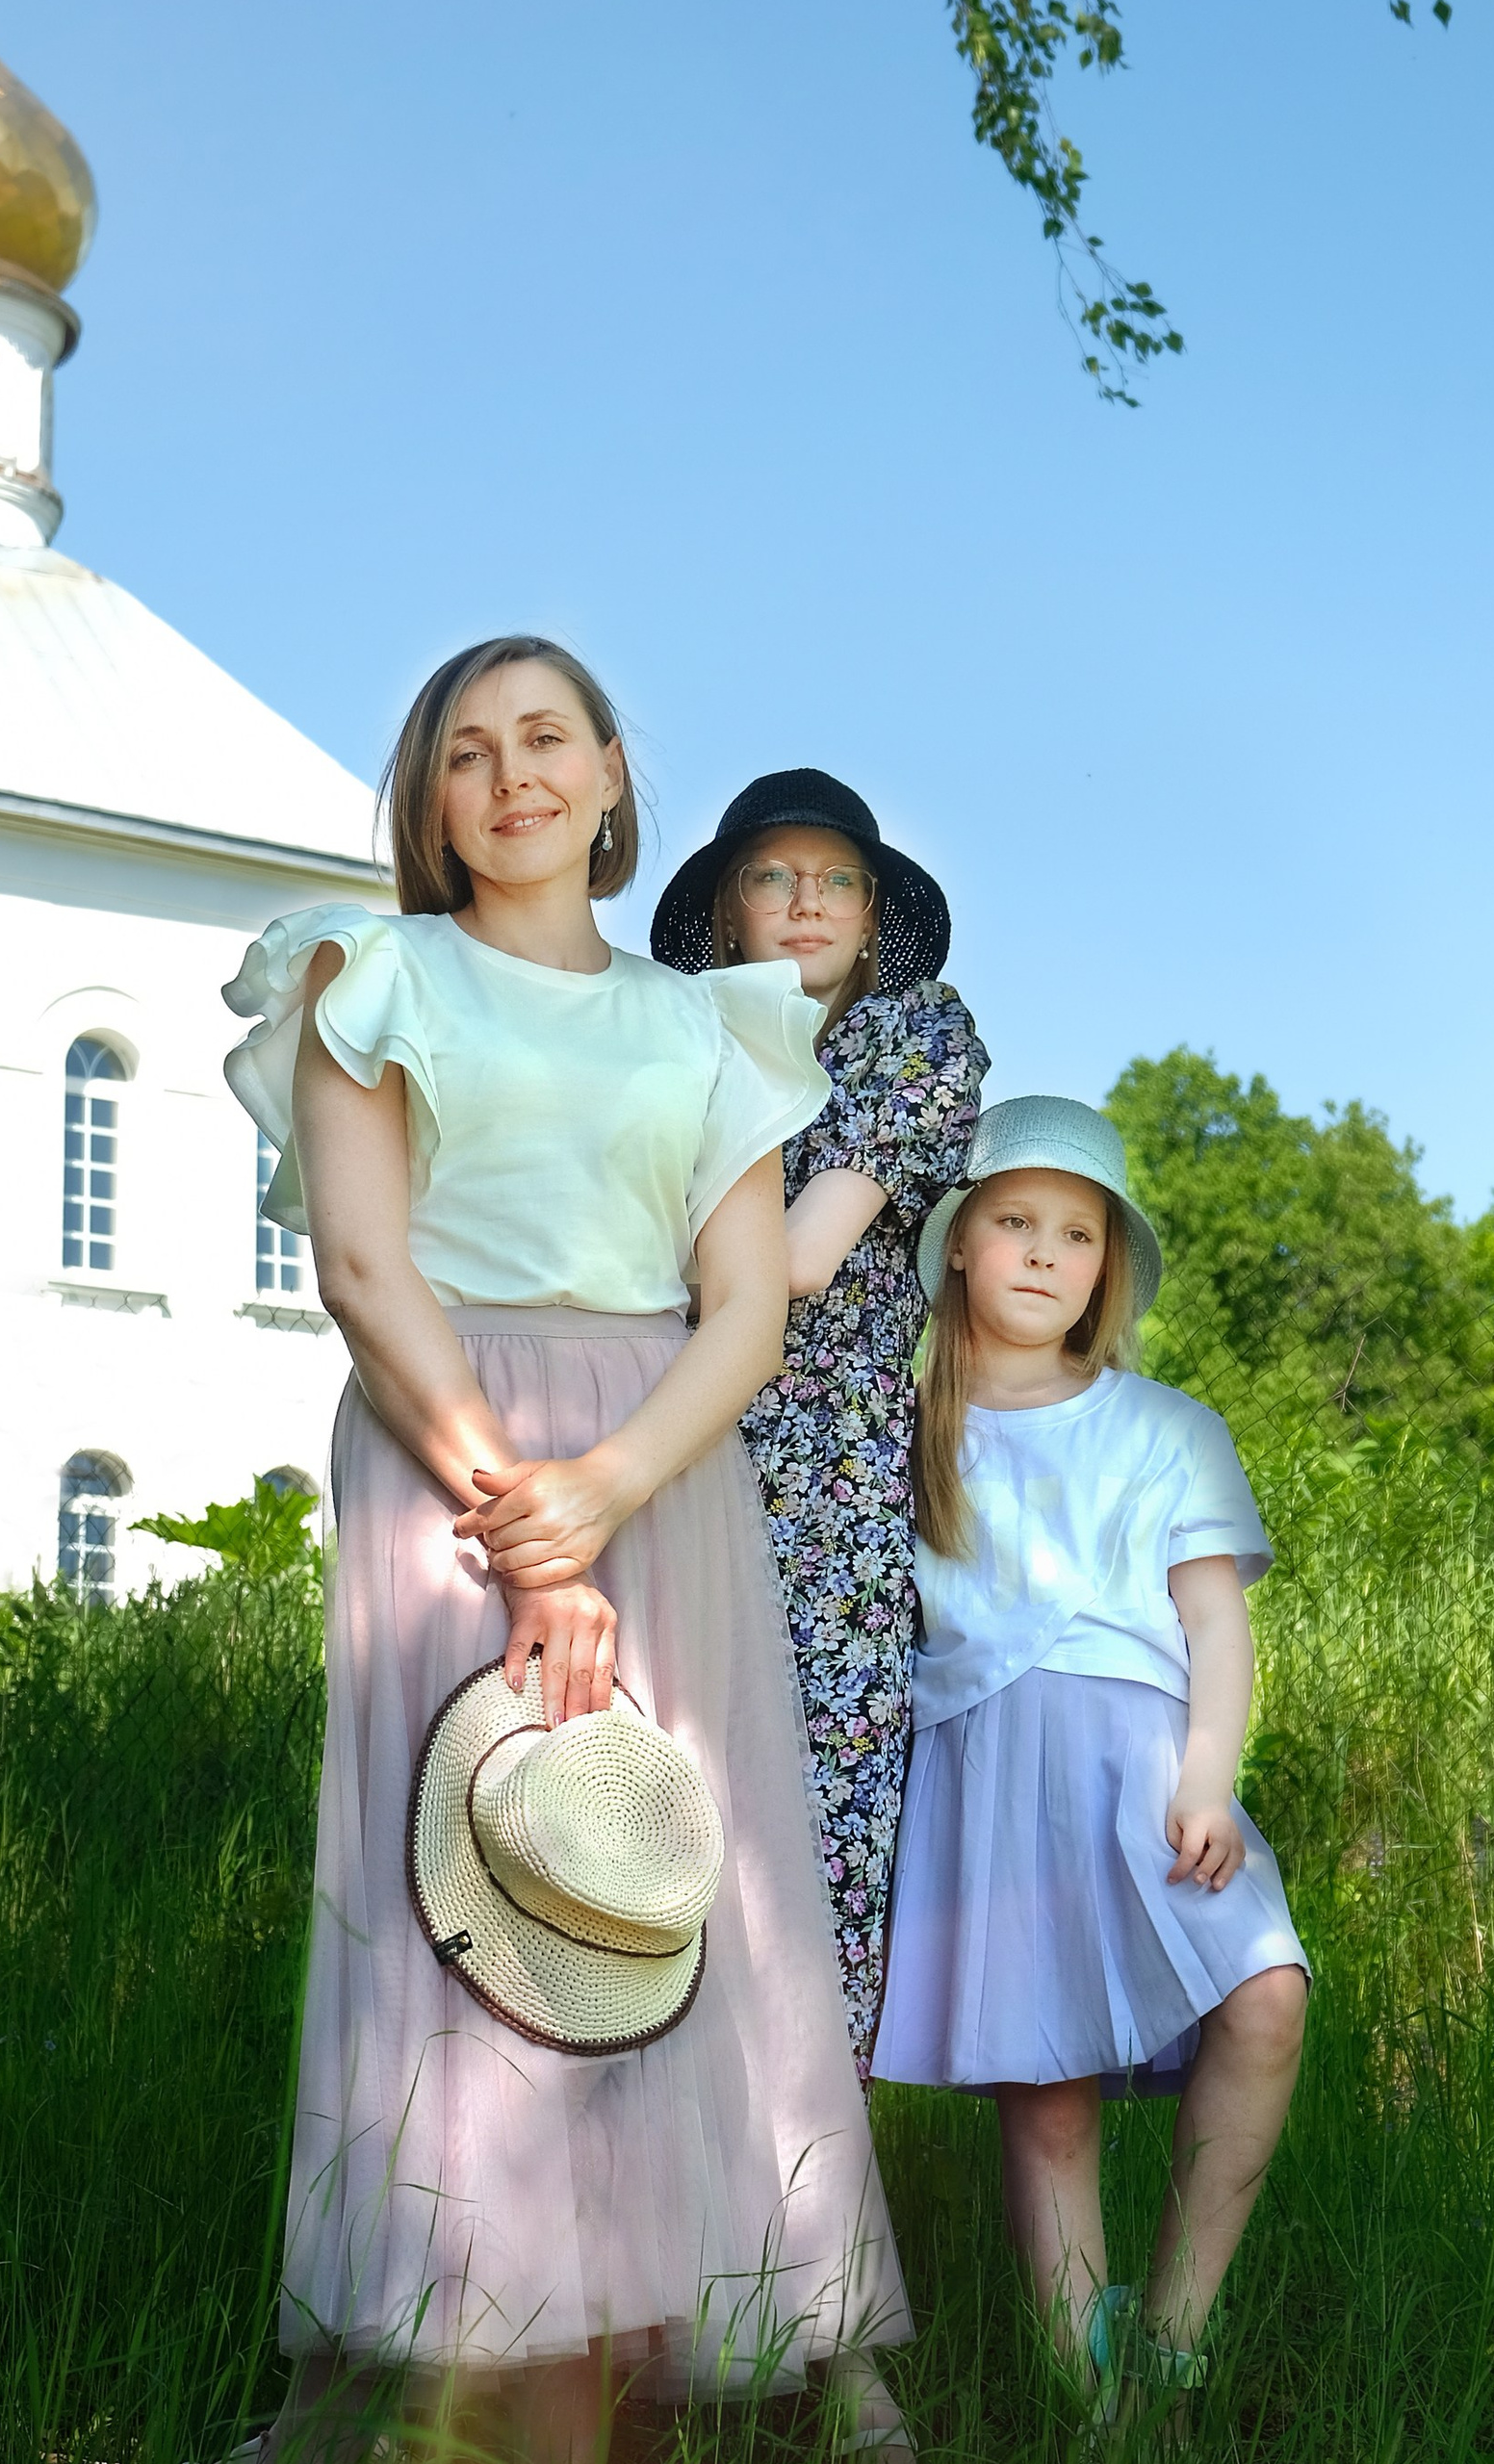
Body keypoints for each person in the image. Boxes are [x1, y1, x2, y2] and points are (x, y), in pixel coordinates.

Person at [223, 641, 913, 2462]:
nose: (511, 774)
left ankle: (611, 2377)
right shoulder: (372, 977)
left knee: (648, 1899)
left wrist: (604, 1495)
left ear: (612, 778)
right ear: (430, 804)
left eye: (547, 739)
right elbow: (367, 1272)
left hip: (660, 1465)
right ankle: (483, 2370)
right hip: (448, 1452)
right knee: (477, 1904)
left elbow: (748, 1312)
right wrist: (531, 1539)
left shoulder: (714, 1026)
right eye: (467, 752)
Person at [873, 1094, 1308, 2419]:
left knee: (1267, 1997)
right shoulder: (905, 1428)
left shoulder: (1167, 1426)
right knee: (1050, 2097)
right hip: (996, 1778)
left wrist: (1207, 1775)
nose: (1046, 1254)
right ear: (960, 1242)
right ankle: (1091, 2407)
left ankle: (1171, 2338)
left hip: (1146, 1766)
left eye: (1078, 1232)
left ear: (1108, 1263)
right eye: (1016, 1222)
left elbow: (1213, 1620)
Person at [650, 770, 987, 2072]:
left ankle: (801, 2198)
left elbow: (793, 1262)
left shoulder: (914, 1038)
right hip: (666, 1434)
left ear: (870, 912)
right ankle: (651, 2177)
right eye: (772, 879)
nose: (806, 904)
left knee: (818, 1806)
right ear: (726, 914)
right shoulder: (669, 1042)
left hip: (828, 1476)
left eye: (836, 879)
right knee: (660, 1792)